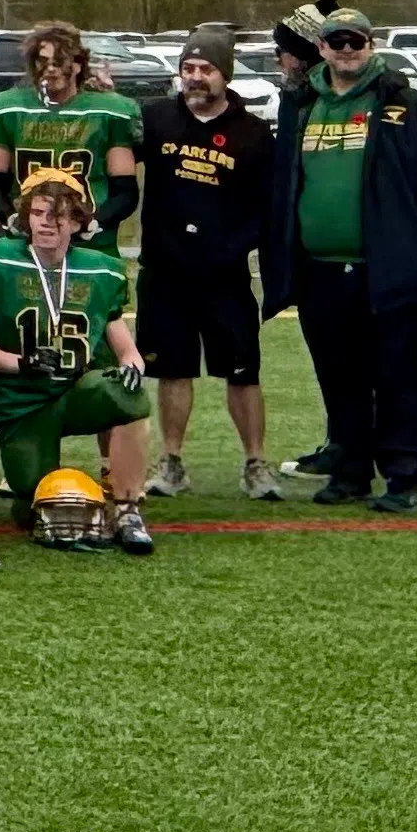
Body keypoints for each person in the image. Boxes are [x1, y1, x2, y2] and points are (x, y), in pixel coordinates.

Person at [265, 5, 417, 483]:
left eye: (357, 41)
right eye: (337, 41)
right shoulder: (302, 104)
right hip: (319, 271)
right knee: (339, 379)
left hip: (386, 270)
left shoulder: (408, 104)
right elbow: (284, 182)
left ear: (371, 45)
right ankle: (349, 472)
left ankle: (405, 477)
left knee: (397, 379)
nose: (347, 49)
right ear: (321, 48)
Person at [0, 171, 156, 552]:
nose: (45, 223)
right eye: (38, 214)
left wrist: (134, 368)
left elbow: (125, 347)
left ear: (78, 221)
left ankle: (128, 508)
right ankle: (30, 490)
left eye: (57, 216)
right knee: (33, 500)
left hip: (76, 389)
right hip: (22, 401)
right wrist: (21, 362)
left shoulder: (100, 269)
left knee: (130, 398)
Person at [135, 28, 281, 499]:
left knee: (243, 371)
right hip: (165, 272)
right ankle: (172, 461)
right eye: (188, 69)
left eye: (206, 70)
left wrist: (231, 247)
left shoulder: (253, 133)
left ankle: (256, 462)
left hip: (224, 275)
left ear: (225, 74)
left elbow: (267, 208)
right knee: (173, 370)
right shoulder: (155, 119)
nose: (195, 78)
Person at [0, 22, 138, 248]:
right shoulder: (9, 108)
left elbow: (125, 191)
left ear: (78, 65)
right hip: (27, 240)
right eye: (43, 61)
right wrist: (11, 217)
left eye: (60, 61)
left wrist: (96, 222)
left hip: (89, 241)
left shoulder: (108, 111)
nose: (51, 69)